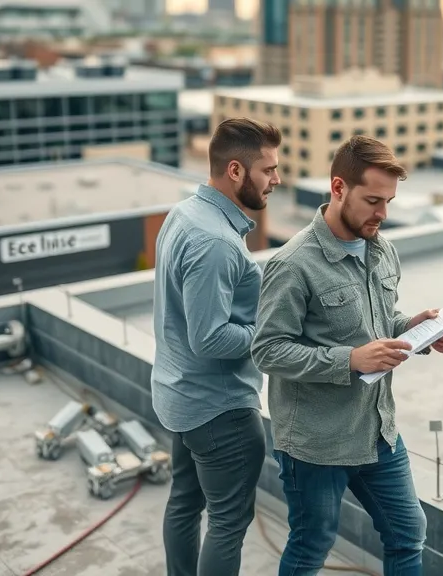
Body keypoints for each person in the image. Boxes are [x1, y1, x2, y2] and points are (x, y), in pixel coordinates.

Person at [252, 135, 443, 576]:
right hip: (315, 444)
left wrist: (419, 329)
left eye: (388, 201)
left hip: (377, 430)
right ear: (338, 188)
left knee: (408, 533)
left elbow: (380, 324)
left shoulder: (383, 249)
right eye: (372, 200)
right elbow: (267, 350)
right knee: (312, 545)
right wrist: (349, 360)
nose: (382, 214)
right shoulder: (292, 264)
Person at [151, 117, 282, 576]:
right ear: (235, 171)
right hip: (219, 411)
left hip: (182, 397)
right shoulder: (216, 242)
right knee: (228, 522)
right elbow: (208, 338)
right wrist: (268, 334)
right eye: (268, 170)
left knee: (184, 504)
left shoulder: (185, 213)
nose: (277, 180)